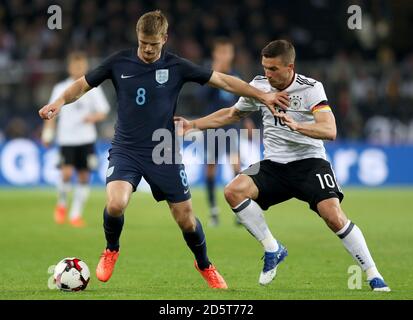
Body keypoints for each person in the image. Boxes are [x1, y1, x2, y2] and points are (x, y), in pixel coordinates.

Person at [38, 10, 288, 289]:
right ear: (137, 36)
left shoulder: (177, 66)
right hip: (126, 149)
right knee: (116, 203)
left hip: (164, 151)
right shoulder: (119, 62)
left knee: (186, 220)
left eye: (154, 44)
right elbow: (82, 85)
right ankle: (111, 249)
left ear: (165, 39)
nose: (147, 49)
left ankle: (205, 264)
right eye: (143, 42)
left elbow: (226, 81)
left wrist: (263, 95)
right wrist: (59, 102)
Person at [175, 40, 390, 292]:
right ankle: (272, 248)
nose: (268, 74)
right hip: (274, 165)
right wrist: (193, 124)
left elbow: (330, 130)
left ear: (290, 67)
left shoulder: (311, 89)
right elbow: (233, 114)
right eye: (265, 67)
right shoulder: (259, 86)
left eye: (274, 69)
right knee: (233, 191)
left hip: (310, 163)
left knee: (333, 215)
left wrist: (299, 126)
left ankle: (373, 274)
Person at [41, 51, 110, 227]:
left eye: (81, 66)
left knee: (84, 176)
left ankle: (75, 214)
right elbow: (51, 114)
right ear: (69, 67)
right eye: (75, 65)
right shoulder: (60, 89)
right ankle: (62, 204)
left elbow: (104, 111)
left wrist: (92, 118)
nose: (78, 69)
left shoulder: (93, 89)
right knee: (66, 174)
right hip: (66, 139)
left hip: (86, 139)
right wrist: (47, 133)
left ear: (85, 67)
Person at [198, 38, 241, 227]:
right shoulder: (210, 76)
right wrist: (213, 75)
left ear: (231, 54)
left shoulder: (236, 77)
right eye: (221, 52)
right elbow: (200, 97)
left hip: (232, 129)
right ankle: (213, 211)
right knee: (210, 168)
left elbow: (243, 103)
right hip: (212, 128)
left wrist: (247, 121)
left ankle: (240, 210)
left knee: (236, 168)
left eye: (227, 52)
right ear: (215, 54)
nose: (224, 56)